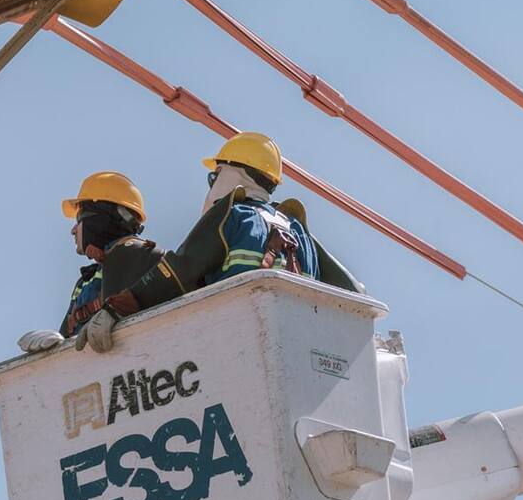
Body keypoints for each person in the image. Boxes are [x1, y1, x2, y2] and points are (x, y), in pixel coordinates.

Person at [75, 133, 363, 352]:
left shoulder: (232, 215)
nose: (212, 185)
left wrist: (117, 308)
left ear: (230, 173)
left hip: (238, 336)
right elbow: (352, 291)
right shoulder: (299, 230)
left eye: (214, 176)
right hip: (297, 342)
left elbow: (179, 270)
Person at [15, 171, 162, 354]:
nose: (73, 230)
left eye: (79, 220)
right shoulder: (87, 280)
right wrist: (54, 346)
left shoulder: (136, 254)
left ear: (98, 220)